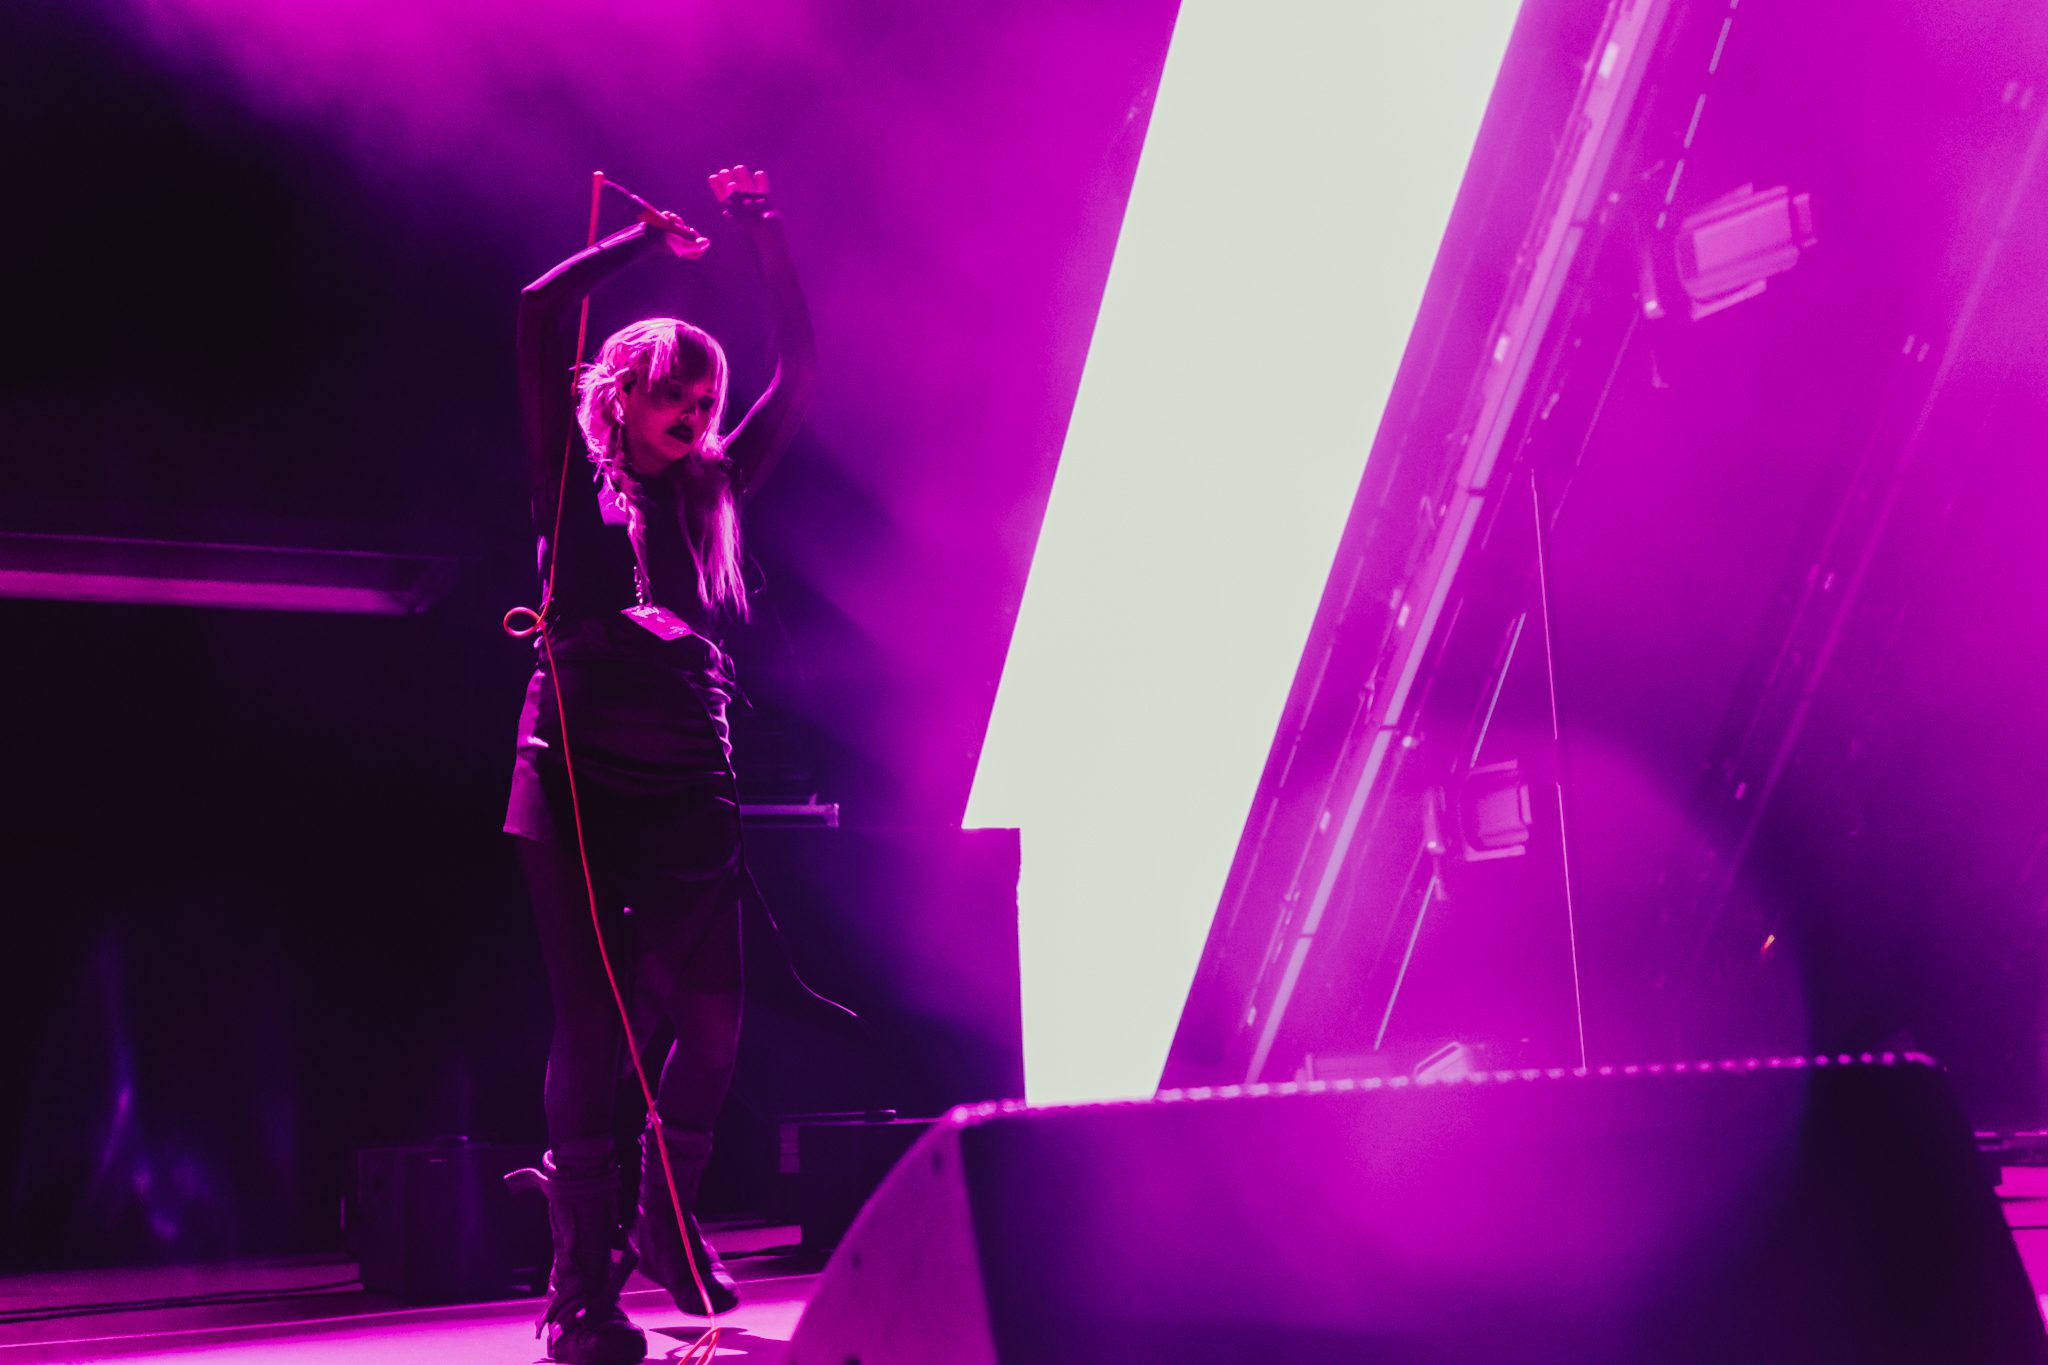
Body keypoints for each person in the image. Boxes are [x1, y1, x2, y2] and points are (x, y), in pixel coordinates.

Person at [502, 164, 816, 1365]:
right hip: (574, 770)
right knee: (596, 1027)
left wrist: (763, 230)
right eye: (673, 391)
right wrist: (638, 240)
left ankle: (664, 1222)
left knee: (716, 1022)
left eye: (705, 395)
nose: (694, 408)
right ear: (622, 393)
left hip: (690, 776)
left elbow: (800, 372)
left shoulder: (712, 489)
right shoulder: (567, 480)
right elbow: (537, 312)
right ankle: (581, 1294)